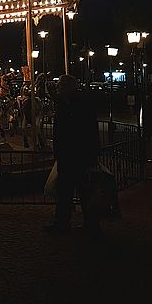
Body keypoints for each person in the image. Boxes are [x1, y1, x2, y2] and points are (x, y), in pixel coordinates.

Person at [45, 74, 100, 236]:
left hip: (77, 154)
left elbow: (85, 129)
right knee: (66, 191)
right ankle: (64, 221)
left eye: (61, 86)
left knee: (81, 191)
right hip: (69, 155)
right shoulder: (67, 103)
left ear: (69, 87)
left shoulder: (79, 105)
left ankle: (88, 224)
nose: (58, 89)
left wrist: (91, 153)